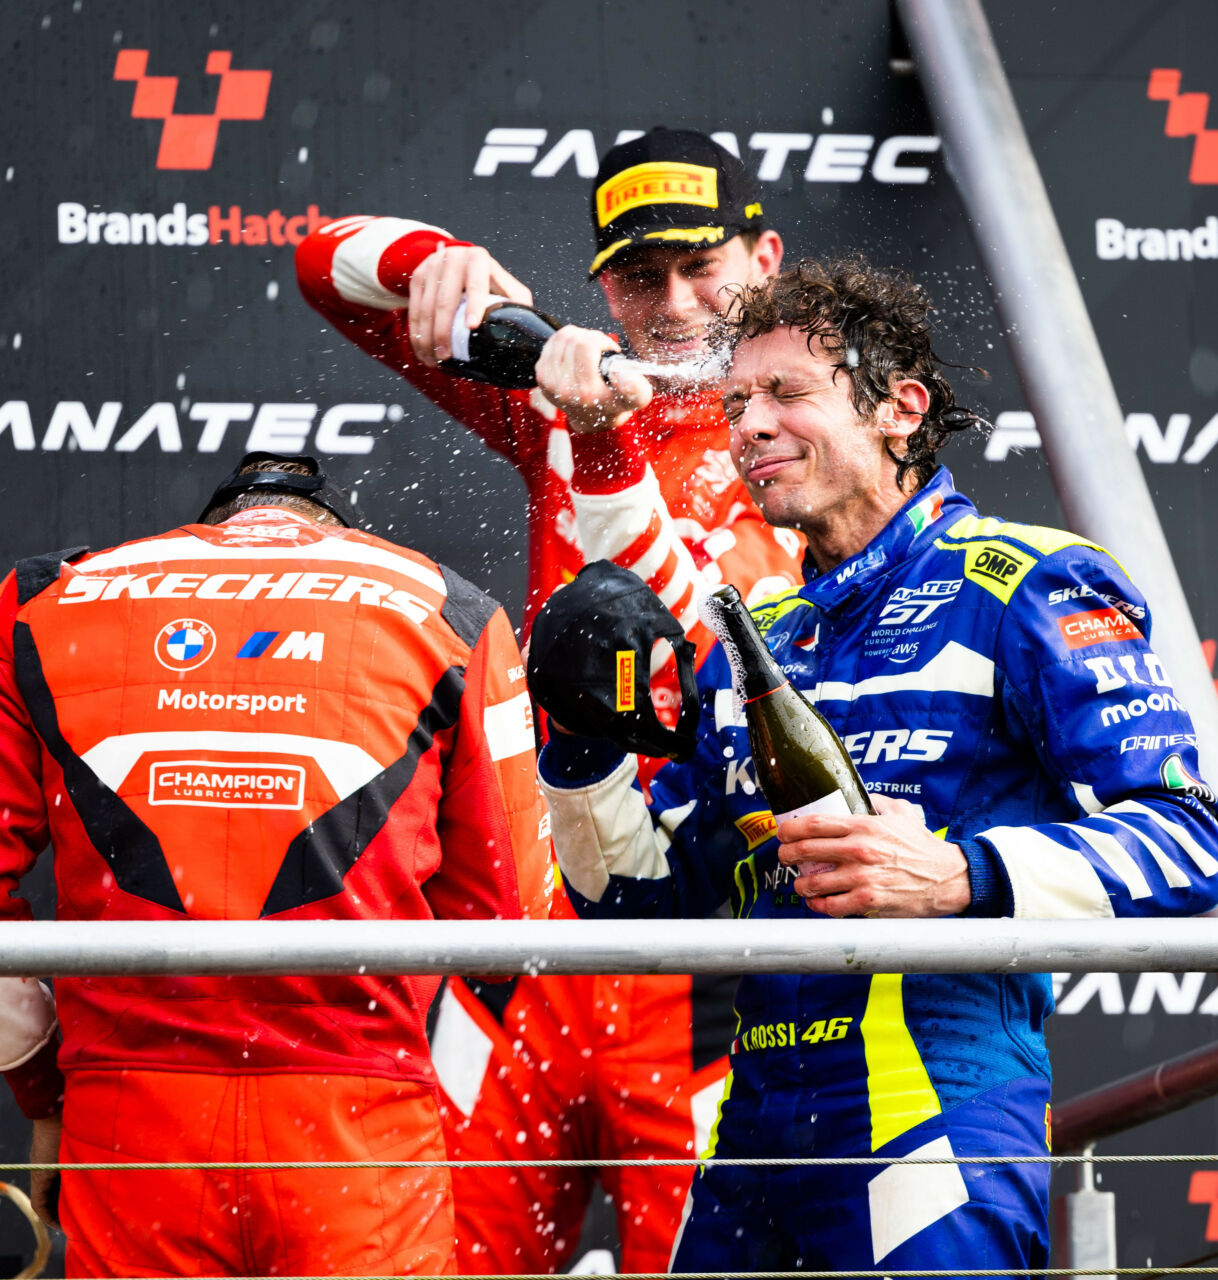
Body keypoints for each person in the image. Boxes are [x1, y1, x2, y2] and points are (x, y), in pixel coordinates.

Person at [536, 257, 1218, 1271]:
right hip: (756, 1133)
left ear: (900, 410)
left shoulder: (1027, 578)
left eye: (786, 393)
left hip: (936, 1110)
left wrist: (958, 872)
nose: (750, 425)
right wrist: (581, 742)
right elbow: (637, 902)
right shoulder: (753, 635)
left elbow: (1190, 835)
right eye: (737, 401)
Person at [297, 126, 805, 1272]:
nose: (672, 303)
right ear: (605, 290)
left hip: (706, 978)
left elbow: (702, 665)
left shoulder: (815, 434)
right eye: (638, 277)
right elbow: (319, 264)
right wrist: (440, 261)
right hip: (533, 958)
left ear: (764, 258)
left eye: (701, 267)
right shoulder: (555, 404)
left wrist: (608, 445)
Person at [0, 453, 557, 1279]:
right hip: (356, 1131)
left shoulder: (44, 599)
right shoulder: (452, 609)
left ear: (211, 527)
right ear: (334, 533)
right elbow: (511, 914)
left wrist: (45, 1089)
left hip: (132, 1131)